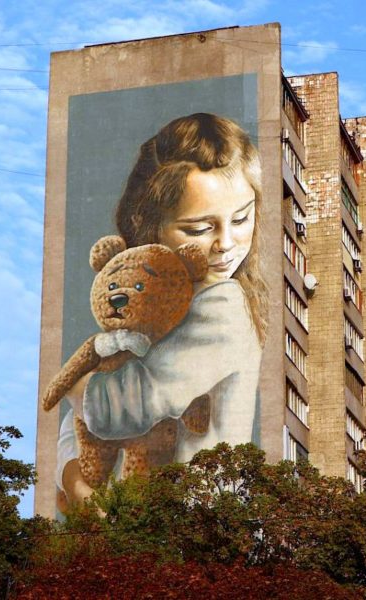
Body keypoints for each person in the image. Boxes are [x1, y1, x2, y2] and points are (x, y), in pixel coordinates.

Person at [57, 113, 269, 506]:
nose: (226, 243)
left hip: (195, 525)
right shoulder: (156, 307)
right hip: (144, 523)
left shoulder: (223, 305)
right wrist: (76, 480)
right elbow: (79, 428)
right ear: (148, 223)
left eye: (241, 218)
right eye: (199, 229)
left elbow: (114, 408)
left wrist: (73, 384)